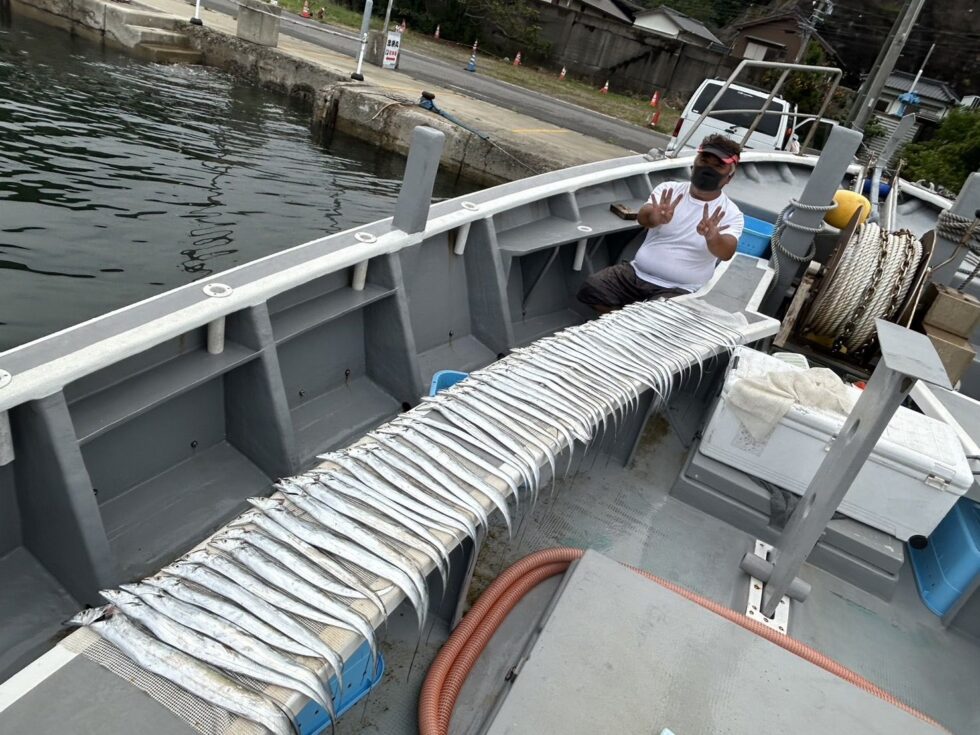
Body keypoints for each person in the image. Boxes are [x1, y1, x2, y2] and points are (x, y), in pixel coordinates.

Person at [577, 134, 744, 313]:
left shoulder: (731, 213)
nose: (708, 168)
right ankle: (624, 319)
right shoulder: (668, 190)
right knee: (592, 288)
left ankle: (631, 320)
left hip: (679, 288)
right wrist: (654, 218)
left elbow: (726, 252)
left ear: (729, 177)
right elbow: (643, 217)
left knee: (657, 316)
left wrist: (713, 237)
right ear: (694, 162)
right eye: (704, 160)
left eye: (718, 165)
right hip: (636, 273)